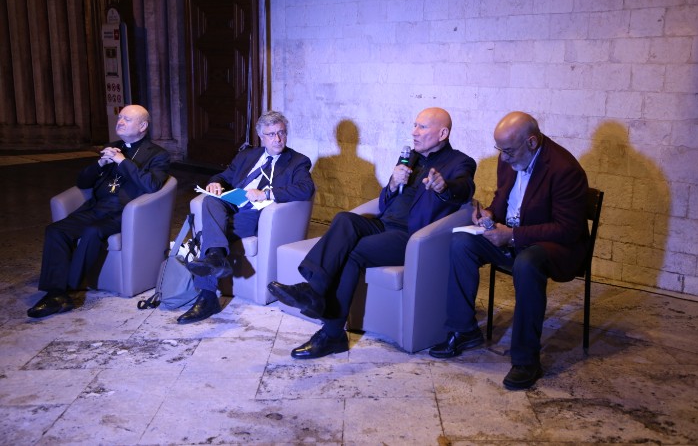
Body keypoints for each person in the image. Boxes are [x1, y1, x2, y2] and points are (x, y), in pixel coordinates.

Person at [267, 107, 477, 359]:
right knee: (344, 219)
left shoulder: (460, 162)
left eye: (422, 127)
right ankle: (314, 289)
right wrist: (392, 183)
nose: (414, 132)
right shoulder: (409, 157)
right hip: (384, 223)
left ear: (442, 133)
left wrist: (444, 187)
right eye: (414, 125)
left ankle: (331, 332)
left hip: (410, 236)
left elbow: (464, 188)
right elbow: (385, 201)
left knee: (352, 253)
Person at [429, 111, 589, 390]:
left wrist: (513, 236)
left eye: (509, 151)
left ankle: (526, 360)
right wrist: (489, 214)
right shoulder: (510, 158)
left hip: (554, 248)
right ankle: (463, 330)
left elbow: (568, 229)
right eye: (499, 150)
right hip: (513, 236)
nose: (503, 158)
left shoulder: (565, 169)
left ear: (532, 142)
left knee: (527, 263)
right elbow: (503, 200)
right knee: (462, 243)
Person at [28, 104, 171, 318]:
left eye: (127, 119)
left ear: (143, 126)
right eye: (120, 117)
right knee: (56, 230)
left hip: (124, 213)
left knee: (92, 232)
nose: (120, 122)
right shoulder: (112, 147)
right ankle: (56, 293)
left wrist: (123, 162)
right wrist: (100, 164)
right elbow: (82, 182)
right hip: (97, 207)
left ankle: (64, 291)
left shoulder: (158, 154)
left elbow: (152, 185)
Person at [178, 110, 315, 324]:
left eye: (281, 133)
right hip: (234, 202)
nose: (277, 139)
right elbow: (223, 176)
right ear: (261, 136)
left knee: (208, 234)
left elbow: (306, 189)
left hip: (257, 211)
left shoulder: (297, 161)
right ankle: (216, 257)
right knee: (210, 201)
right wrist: (215, 183)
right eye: (271, 134)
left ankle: (207, 294)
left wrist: (266, 194)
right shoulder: (247, 156)